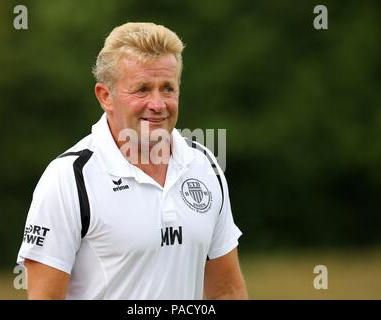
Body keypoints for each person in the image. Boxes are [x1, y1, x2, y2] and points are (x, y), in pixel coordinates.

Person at [16, 22, 247, 300]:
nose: (158, 104)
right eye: (142, 89)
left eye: (168, 88)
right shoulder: (69, 178)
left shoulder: (204, 164)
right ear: (105, 96)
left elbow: (227, 291)